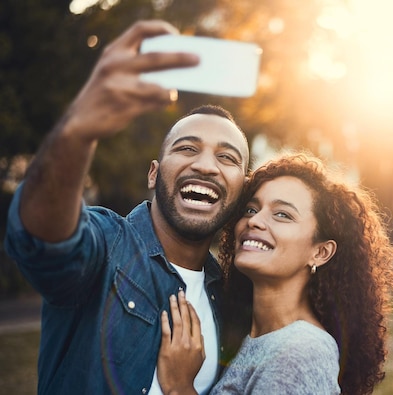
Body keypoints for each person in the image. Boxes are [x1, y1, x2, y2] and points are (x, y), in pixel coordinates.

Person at [3, 20, 250, 394]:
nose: (205, 165)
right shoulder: (105, 245)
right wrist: (77, 131)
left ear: (242, 190)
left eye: (227, 157)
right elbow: (42, 241)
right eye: (186, 148)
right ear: (154, 174)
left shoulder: (232, 296)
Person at [158, 153, 393, 395]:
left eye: (282, 214)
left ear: (320, 252)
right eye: (251, 209)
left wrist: (179, 387)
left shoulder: (300, 351)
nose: (255, 221)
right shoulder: (248, 335)